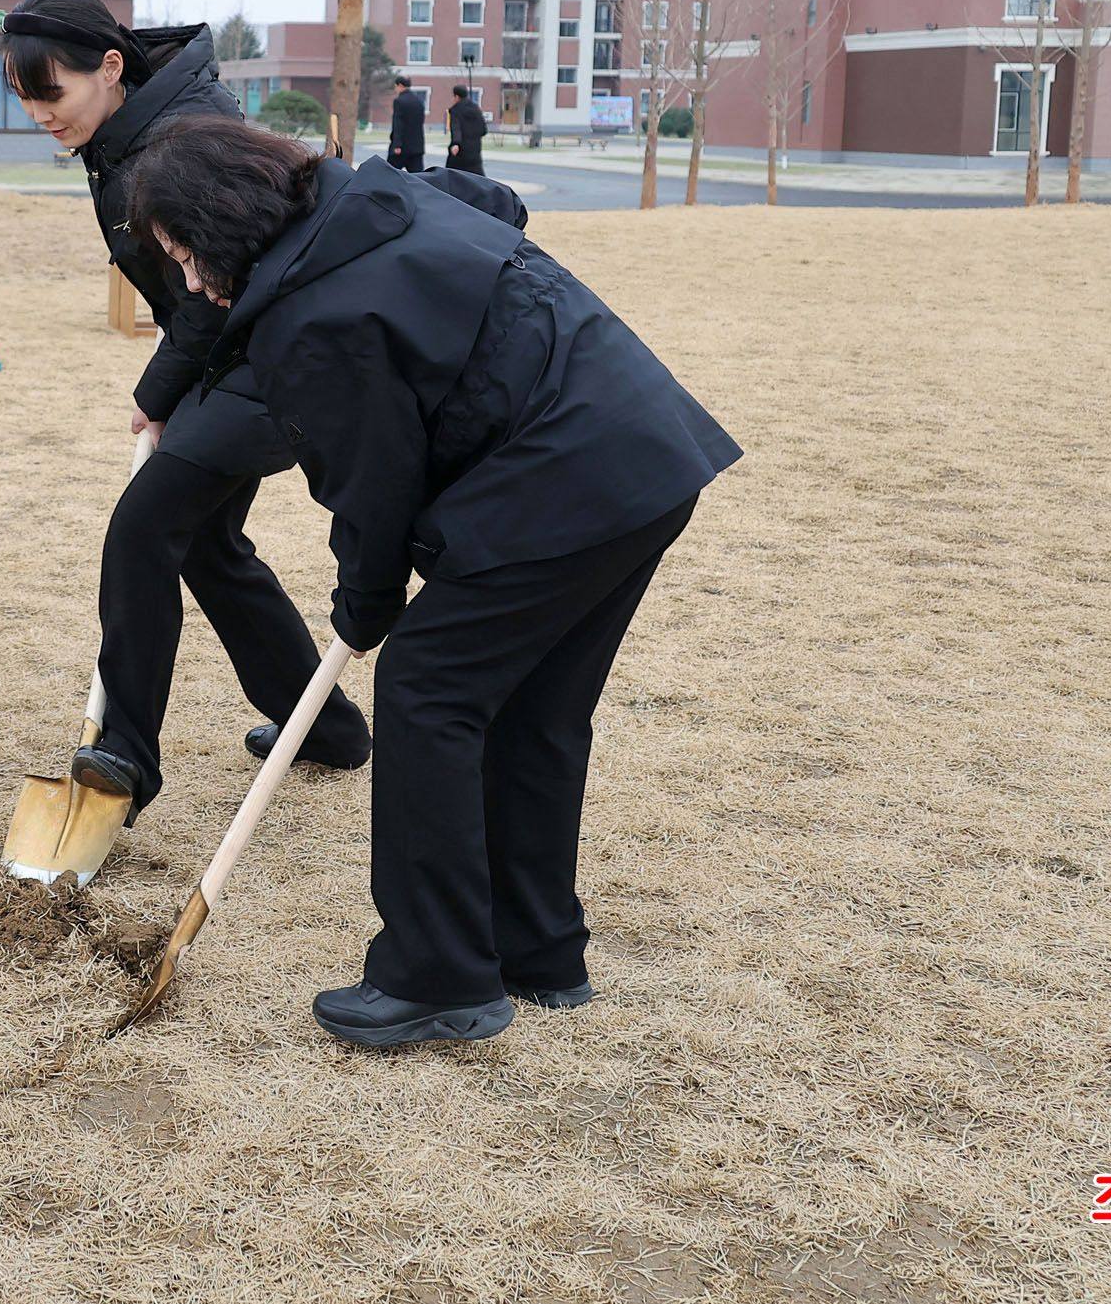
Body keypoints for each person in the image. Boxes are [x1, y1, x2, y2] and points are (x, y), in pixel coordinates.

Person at [122, 116, 739, 1052]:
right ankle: (538, 952)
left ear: (216, 225)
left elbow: (373, 475)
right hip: (645, 455)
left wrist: (366, 604)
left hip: (568, 476)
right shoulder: (378, 197)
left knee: (427, 687)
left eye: (181, 255)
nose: (191, 283)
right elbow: (496, 205)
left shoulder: (311, 318)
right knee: (533, 707)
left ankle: (436, 975)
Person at [0, 0, 372, 815]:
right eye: (27, 102)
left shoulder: (181, 132)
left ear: (110, 65)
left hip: (275, 357)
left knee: (144, 526)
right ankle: (326, 728)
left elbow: (220, 287)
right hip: (229, 358)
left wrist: (160, 389)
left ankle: (124, 755)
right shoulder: (128, 124)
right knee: (204, 544)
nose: (42, 117)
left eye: (50, 94)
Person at [445, 83, 488, 176]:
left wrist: (456, 143)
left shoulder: (455, 110)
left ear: (456, 96)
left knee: (450, 176)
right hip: (475, 150)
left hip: (461, 150)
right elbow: (484, 130)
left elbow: (456, 128)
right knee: (478, 178)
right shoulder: (476, 108)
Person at [386, 74, 427, 171]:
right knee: (417, 178)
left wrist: (397, 144)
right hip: (417, 146)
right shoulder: (419, 101)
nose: (395, 89)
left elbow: (398, 124)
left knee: (389, 175)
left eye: (395, 86)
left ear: (400, 85)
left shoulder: (399, 101)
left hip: (402, 147)